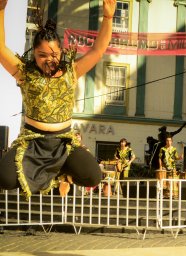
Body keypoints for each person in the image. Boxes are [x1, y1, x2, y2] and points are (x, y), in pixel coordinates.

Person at [0, 0, 117, 198]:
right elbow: (1, 48)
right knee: (4, 178)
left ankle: (63, 174)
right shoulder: (25, 73)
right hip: (32, 143)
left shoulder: (71, 72)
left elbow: (98, 50)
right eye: (42, 55)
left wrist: (108, 18)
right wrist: (1, 10)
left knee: (93, 176)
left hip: (63, 143)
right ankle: (51, 176)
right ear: (34, 55)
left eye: (54, 54)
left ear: (61, 53)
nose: (49, 59)